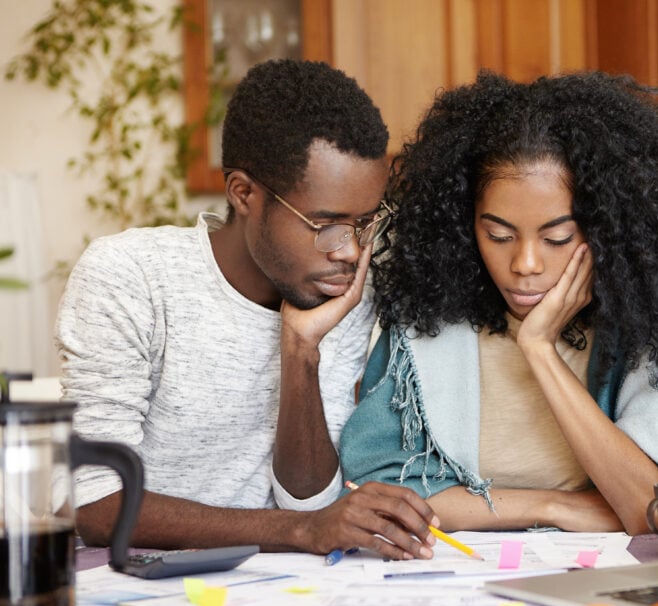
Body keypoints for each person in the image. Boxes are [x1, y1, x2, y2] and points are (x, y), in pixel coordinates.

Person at [55, 59, 438, 560]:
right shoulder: (130, 276)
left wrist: (301, 348)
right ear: (244, 194)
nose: (349, 250)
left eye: (367, 222)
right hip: (135, 586)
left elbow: (309, 505)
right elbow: (98, 504)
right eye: (326, 224)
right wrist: (299, 533)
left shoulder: (343, 291)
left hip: (273, 587)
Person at [339, 71, 658, 535]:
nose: (524, 263)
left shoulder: (653, 316)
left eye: (557, 237)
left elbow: (656, 511)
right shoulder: (426, 314)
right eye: (498, 235)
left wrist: (541, 350)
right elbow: (378, 487)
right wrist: (554, 508)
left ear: (605, 228)